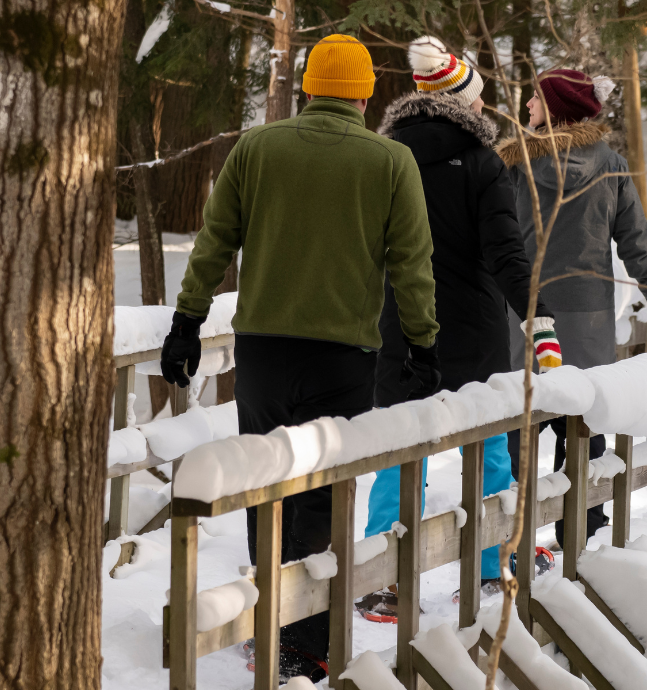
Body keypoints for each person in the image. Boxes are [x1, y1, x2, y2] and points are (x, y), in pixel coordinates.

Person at [159, 34, 439, 682]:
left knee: (262, 484)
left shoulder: (258, 148)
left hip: (263, 352)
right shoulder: (389, 162)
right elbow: (412, 265)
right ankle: (305, 642)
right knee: (320, 498)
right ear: (366, 94)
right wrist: (423, 345)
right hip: (344, 356)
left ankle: (270, 626)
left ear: (310, 86)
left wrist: (188, 320)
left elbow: (215, 239)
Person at [356, 37, 563, 623]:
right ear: (465, 104)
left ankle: (384, 583)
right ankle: (495, 566)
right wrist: (537, 317)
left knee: (400, 451)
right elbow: (506, 253)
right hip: (472, 332)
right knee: (489, 447)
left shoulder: (381, 157)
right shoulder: (481, 162)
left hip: (398, 330)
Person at [498, 68, 647, 551]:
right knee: (583, 426)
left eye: (534, 100)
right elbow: (638, 251)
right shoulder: (612, 167)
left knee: (517, 426)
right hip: (588, 319)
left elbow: (494, 246)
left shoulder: (513, 166)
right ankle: (583, 533)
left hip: (524, 316)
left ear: (554, 108)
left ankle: (511, 540)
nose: (526, 108)